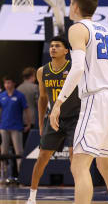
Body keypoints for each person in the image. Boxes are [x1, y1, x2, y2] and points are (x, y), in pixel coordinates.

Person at [49, 0, 108, 204]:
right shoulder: (107, 32)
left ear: (75, 5)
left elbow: (76, 69)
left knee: (79, 164)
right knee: (105, 166)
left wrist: (58, 103)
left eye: (70, 2)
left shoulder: (77, 29)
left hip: (97, 98)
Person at [28, 36, 80, 204]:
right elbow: (42, 99)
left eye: (57, 46)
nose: (53, 48)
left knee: (74, 156)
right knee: (42, 157)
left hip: (75, 117)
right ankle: (32, 197)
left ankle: (79, 196)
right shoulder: (42, 71)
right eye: (51, 46)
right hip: (54, 118)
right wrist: (41, 124)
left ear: (66, 51)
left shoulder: (74, 68)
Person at [0, 75, 31, 182]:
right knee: (3, 152)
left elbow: (26, 110)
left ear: (14, 84)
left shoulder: (20, 96)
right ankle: (3, 175)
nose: (7, 85)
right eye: (5, 83)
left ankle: (22, 175)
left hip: (16, 127)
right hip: (4, 127)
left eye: (9, 82)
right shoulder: (1, 96)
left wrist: (28, 123)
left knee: (19, 151)